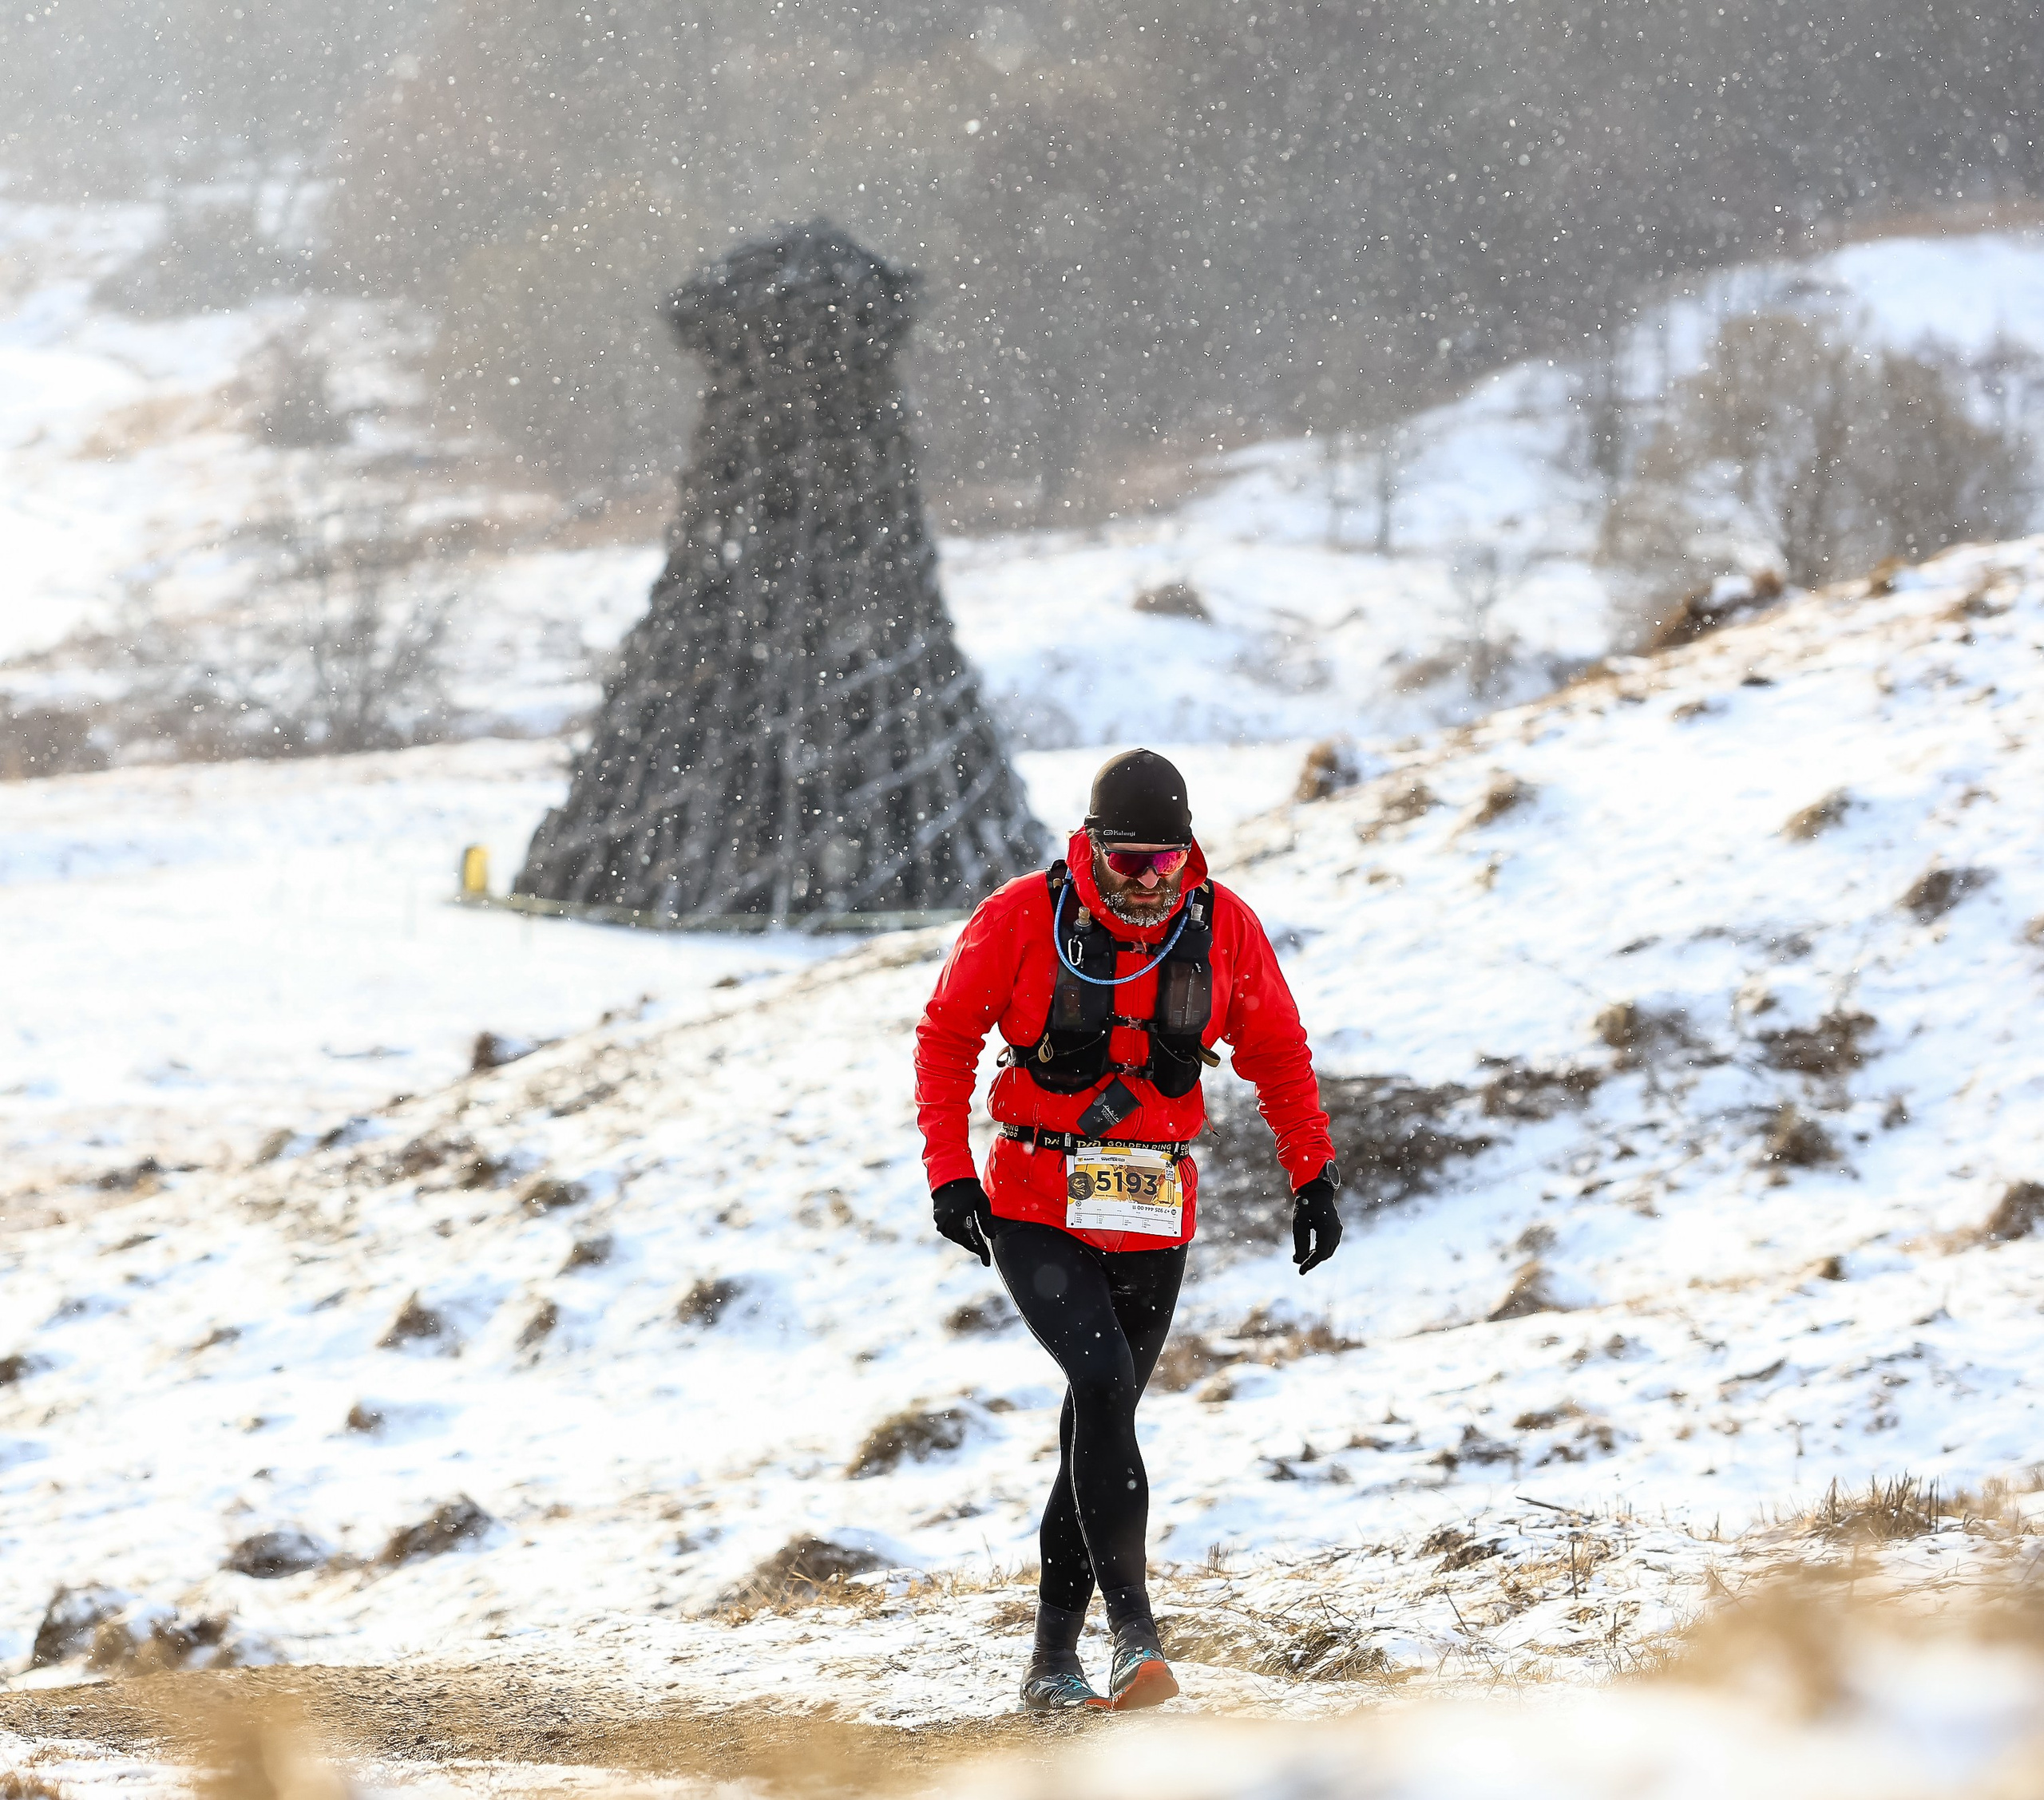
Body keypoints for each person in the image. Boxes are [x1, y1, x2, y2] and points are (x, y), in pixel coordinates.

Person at [913, 747, 1342, 1713]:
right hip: (1033, 1200)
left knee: (1096, 1419)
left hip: (1153, 1206)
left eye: (1166, 860)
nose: (1148, 882)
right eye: (1129, 861)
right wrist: (949, 1173)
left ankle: (1049, 1664)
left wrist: (1311, 1173)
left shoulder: (1222, 925)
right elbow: (945, 1039)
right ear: (1092, 845)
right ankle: (1135, 1635)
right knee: (1103, 1384)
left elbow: (1276, 1050)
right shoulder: (1022, 914)